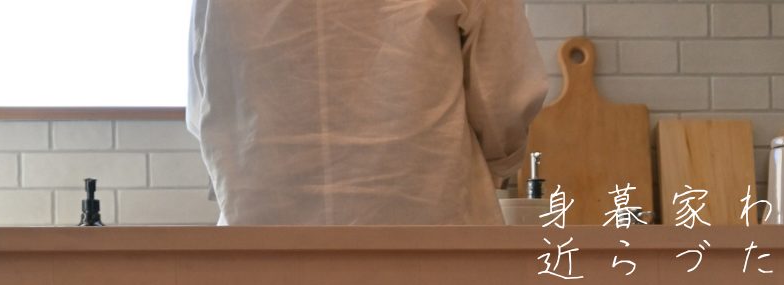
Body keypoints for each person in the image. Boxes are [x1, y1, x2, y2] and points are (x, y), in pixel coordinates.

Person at [187, 0, 548, 226]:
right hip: (429, 225)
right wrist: (498, 165)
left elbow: (207, 99)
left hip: (261, 243)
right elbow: (505, 97)